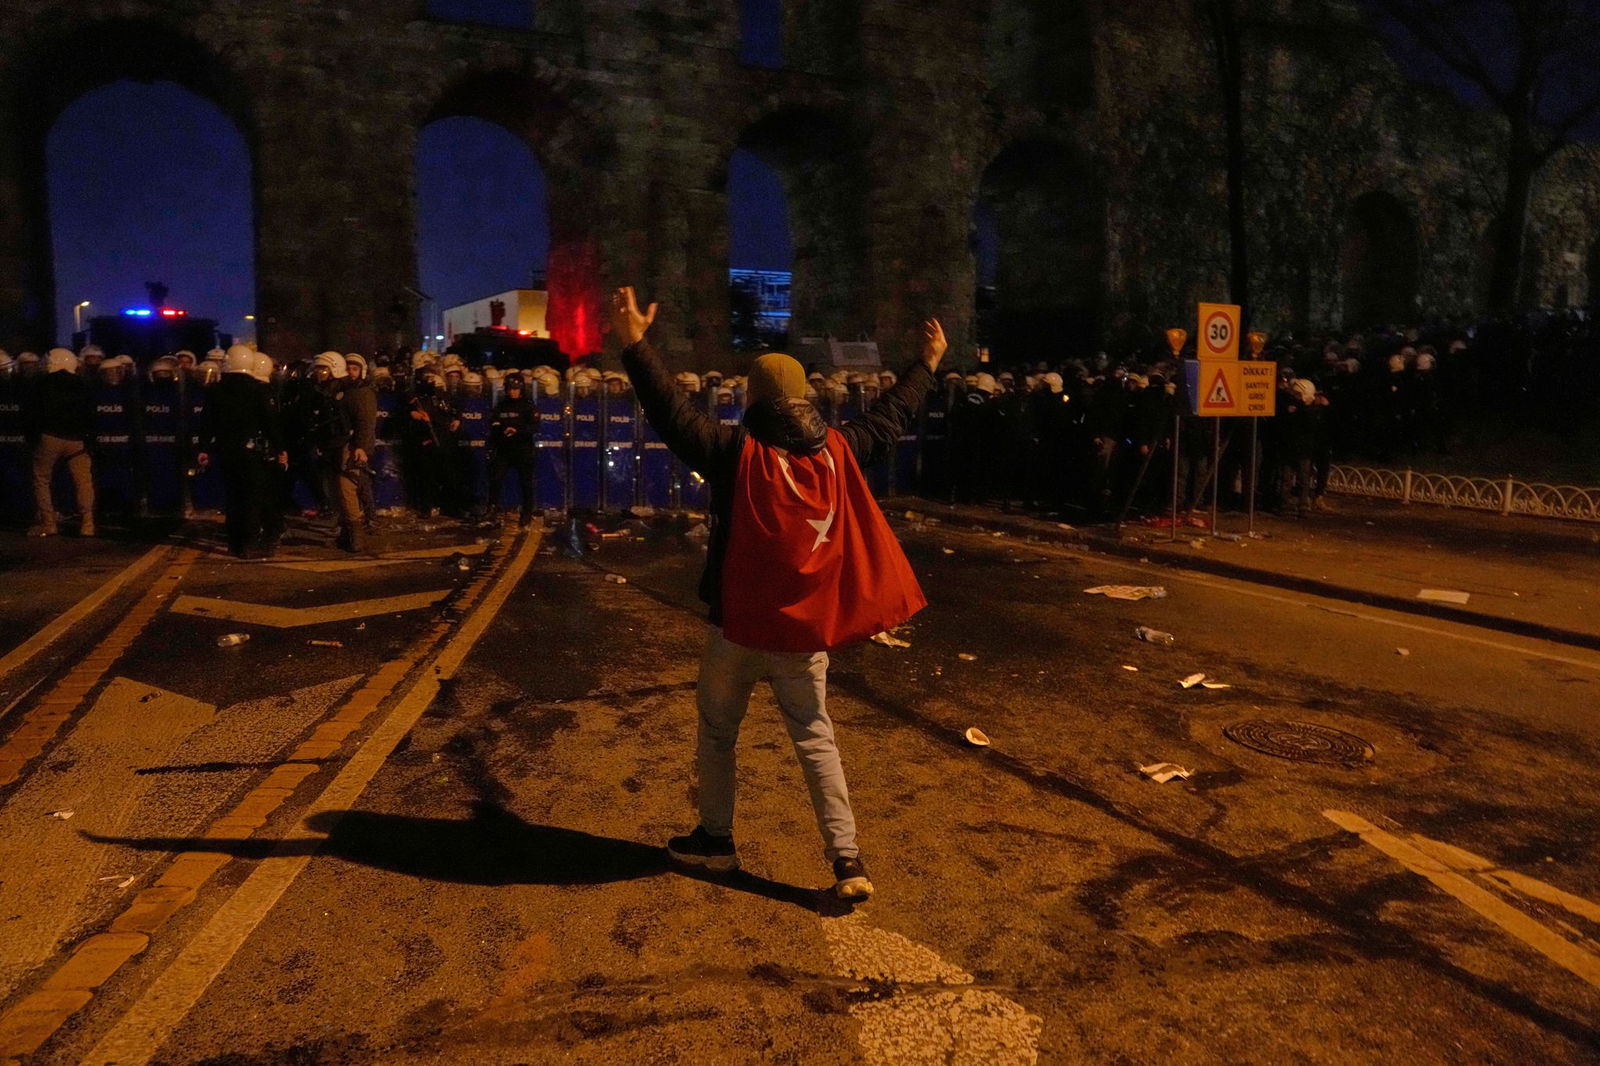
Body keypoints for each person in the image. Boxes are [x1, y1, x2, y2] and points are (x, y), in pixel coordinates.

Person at [613, 285, 943, 901]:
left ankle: (715, 842)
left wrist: (634, 343)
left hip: (736, 626)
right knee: (815, 736)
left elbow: (670, 411)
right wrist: (927, 363)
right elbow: (894, 416)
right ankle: (847, 861)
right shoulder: (842, 449)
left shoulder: (736, 452)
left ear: (755, 399)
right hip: (804, 633)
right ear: (806, 398)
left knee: (718, 731)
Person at [196, 345, 282, 557]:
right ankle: (249, 543)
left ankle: (234, 543)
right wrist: (280, 447)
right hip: (251, 451)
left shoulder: (216, 389)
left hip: (226, 450)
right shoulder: (257, 389)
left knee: (233, 497)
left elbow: (206, 422)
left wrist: (204, 448)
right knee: (251, 498)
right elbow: (269, 422)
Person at [27, 348, 95, 537]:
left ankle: (49, 523)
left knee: (42, 479)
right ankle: (88, 523)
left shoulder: (42, 384)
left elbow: (33, 413)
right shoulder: (82, 384)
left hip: (50, 437)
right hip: (77, 440)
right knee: (83, 481)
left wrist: (33, 439)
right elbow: (90, 414)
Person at [488, 371, 538, 527]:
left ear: (521, 389)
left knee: (526, 483)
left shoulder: (528, 406)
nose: (512, 392)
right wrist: (501, 429)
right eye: (509, 389)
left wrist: (517, 430)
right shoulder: (501, 405)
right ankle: (492, 510)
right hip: (504, 449)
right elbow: (493, 423)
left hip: (523, 449)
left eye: (515, 389)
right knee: (496, 479)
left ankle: (527, 512)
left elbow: (534, 426)